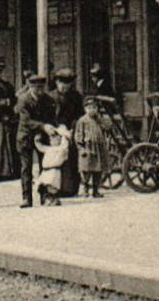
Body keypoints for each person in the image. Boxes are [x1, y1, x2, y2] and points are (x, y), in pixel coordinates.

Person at [16, 73, 58, 208]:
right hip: (26, 136)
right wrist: (43, 127)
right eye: (36, 88)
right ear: (30, 87)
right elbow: (26, 120)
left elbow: (51, 118)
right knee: (26, 168)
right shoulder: (23, 100)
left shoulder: (48, 100)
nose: (39, 91)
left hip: (43, 136)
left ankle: (44, 196)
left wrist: (51, 131)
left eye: (41, 88)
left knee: (44, 166)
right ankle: (26, 198)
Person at [53, 69, 85, 198]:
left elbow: (80, 114)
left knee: (72, 158)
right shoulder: (51, 97)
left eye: (68, 84)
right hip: (56, 131)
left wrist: (73, 127)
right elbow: (48, 116)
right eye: (62, 83)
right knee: (57, 159)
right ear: (56, 82)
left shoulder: (76, 96)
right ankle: (56, 187)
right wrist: (59, 128)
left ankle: (71, 189)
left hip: (72, 131)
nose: (65, 87)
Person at [74, 96, 108, 198]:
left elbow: (107, 126)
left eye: (94, 107)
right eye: (89, 108)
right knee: (86, 171)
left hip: (98, 148)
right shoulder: (82, 121)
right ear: (85, 109)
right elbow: (78, 135)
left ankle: (95, 190)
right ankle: (85, 189)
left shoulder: (99, 119)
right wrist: (81, 148)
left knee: (97, 170)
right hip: (88, 148)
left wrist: (101, 120)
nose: (92, 110)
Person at [34, 125, 71, 206]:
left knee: (52, 186)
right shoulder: (48, 149)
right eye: (50, 138)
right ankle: (49, 199)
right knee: (44, 185)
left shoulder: (61, 149)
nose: (51, 140)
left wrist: (63, 134)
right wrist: (37, 141)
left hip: (54, 170)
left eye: (54, 137)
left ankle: (54, 199)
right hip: (46, 171)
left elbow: (66, 143)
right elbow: (40, 147)